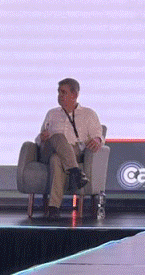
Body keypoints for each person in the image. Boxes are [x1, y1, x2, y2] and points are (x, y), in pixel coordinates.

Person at [37, 78, 103, 219]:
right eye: (59, 92)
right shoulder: (52, 113)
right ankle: (76, 172)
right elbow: (38, 139)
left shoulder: (88, 114)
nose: (60, 96)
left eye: (64, 92)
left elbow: (98, 135)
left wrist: (97, 140)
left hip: (74, 151)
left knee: (56, 160)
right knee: (58, 137)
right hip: (49, 148)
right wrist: (41, 137)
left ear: (75, 95)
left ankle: (54, 208)